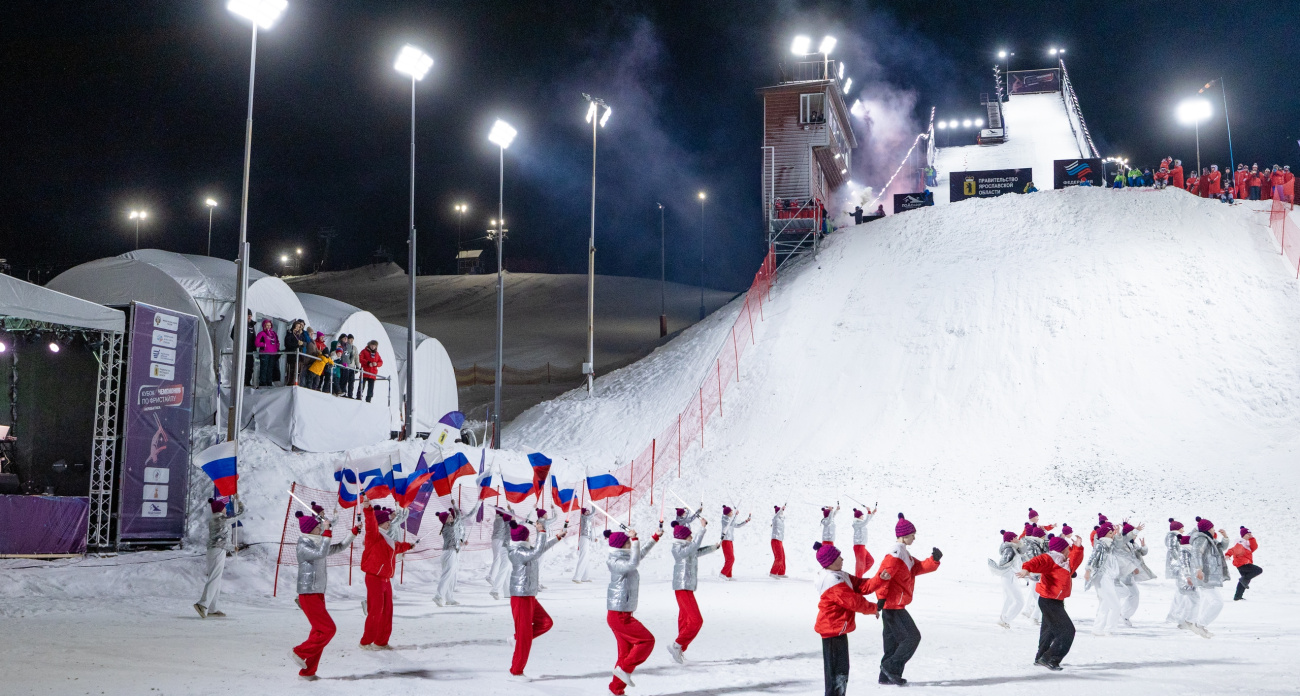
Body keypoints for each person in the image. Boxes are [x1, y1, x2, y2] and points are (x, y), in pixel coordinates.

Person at [872, 513, 941, 686]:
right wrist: (880, 599)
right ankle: (890, 667)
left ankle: (886, 677)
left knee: (893, 642)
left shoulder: (904, 554)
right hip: (892, 606)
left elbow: (917, 568)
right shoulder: (895, 554)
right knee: (912, 637)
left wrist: (934, 560)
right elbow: (883, 576)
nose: (914, 538)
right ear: (903, 536)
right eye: (912, 535)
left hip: (894, 605)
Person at [814, 540, 889, 696]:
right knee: (837, 674)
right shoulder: (832, 581)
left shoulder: (839, 575)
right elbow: (853, 601)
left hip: (838, 630)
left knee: (841, 672)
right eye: (838, 557)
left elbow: (861, 586)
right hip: (832, 630)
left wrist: (880, 578)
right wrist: (873, 608)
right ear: (830, 562)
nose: (842, 559)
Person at [290, 505, 354, 679]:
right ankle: (299, 651)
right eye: (318, 527)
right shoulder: (303, 545)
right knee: (328, 629)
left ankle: (308, 672)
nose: (321, 528)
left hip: (318, 593)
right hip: (307, 594)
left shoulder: (317, 541)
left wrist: (353, 533)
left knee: (318, 632)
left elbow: (337, 548)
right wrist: (327, 531)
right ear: (311, 530)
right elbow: (321, 553)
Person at [507, 518, 566, 679]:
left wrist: (557, 537)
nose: (530, 538)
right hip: (521, 598)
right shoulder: (517, 552)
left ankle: (516, 639)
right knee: (525, 638)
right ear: (524, 538)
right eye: (528, 536)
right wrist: (541, 531)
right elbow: (536, 552)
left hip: (529, 595)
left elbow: (540, 549)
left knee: (546, 622)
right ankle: (516, 671)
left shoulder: (526, 550)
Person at [1015, 533, 1084, 671]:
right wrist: (1025, 569)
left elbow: (1075, 561)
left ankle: (1041, 657)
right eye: (1067, 548)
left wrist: (1078, 547)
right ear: (1061, 549)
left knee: (1049, 631)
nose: (1069, 550)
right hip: (1049, 601)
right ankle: (1050, 658)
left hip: (1055, 601)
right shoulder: (1050, 558)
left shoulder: (1064, 561)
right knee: (1067, 631)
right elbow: (1036, 562)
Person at [605, 525, 661, 695]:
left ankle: (616, 690)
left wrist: (654, 537)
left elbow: (639, 555)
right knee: (647, 641)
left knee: (625, 653)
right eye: (628, 542)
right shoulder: (614, 562)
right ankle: (623, 669)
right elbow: (633, 563)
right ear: (621, 546)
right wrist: (635, 539)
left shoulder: (626, 557)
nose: (631, 543)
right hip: (619, 615)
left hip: (622, 612)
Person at [359, 499, 412, 650]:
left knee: (387, 610)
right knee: (375, 610)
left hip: (385, 578)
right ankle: (366, 641)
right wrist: (368, 510)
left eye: (388, 522)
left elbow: (397, 547)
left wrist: (409, 546)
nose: (388, 524)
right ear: (379, 523)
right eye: (385, 522)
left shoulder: (388, 538)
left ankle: (381, 641)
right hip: (374, 577)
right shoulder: (373, 536)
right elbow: (370, 524)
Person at [667, 519, 719, 664]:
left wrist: (714, 547)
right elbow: (695, 545)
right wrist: (702, 528)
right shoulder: (678, 549)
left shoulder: (688, 548)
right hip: (682, 588)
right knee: (696, 620)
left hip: (687, 588)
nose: (691, 538)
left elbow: (698, 550)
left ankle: (679, 651)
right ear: (683, 538)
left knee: (685, 621)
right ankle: (677, 645)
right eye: (689, 536)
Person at [194, 495, 244, 619]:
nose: (225, 509)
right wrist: (238, 501)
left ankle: (212, 608)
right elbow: (240, 515)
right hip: (218, 551)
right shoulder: (222, 520)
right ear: (219, 510)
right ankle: (202, 604)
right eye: (224, 508)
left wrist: (232, 547)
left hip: (213, 550)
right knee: (214, 579)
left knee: (216, 578)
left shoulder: (215, 520)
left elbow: (221, 537)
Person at [1188, 517, 1231, 637]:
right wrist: (1199, 569)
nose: (1214, 529)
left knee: (1207, 601)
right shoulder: (1201, 539)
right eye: (1212, 527)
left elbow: (1221, 547)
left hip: (1207, 575)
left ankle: (1199, 625)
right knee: (1217, 602)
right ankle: (1199, 625)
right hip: (1204, 575)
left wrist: (1225, 537)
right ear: (1207, 529)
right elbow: (1197, 553)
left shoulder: (1209, 539)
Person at [434, 500, 479, 607]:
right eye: (449, 517)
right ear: (445, 520)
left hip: (452, 552)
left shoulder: (450, 527)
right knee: (447, 575)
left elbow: (455, 540)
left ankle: (449, 598)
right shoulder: (449, 526)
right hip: (449, 553)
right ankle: (438, 596)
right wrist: (454, 505)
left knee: (451, 576)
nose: (452, 517)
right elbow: (458, 515)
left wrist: (461, 543)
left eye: (451, 516)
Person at [1084, 521, 1125, 636]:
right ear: (1104, 534)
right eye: (1111, 533)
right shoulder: (1101, 545)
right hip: (1102, 577)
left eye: (1113, 533)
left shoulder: (1110, 545)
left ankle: (1098, 629)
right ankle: (1110, 629)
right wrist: (1088, 570)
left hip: (1108, 578)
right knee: (1115, 604)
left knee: (1105, 603)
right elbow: (1093, 557)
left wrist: (1119, 534)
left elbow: (1119, 545)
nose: (1112, 534)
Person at [1114, 521, 1155, 626]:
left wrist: (1144, 546)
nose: (1136, 536)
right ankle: (1120, 615)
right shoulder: (1122, 543)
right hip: (1122, 574)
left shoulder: (1132, 544)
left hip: (1128, 575)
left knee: (1131, 594)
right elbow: (1122, 557)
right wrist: (1132, 568)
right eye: (1134, 534)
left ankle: (1122, 615)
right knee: (1127, 594)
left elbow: (1141, 553)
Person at [989, 530, 1024, 628]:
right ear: (1011, 539)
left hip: (1010, 576)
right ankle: (1005, 620)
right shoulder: (1010, 549)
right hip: (1010, 577)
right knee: (1019, 601)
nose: (1018, 539)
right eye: (1016, 537)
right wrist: (1012, 570)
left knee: (1009, 599)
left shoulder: (1013, 548)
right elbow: (1003, 563)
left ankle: (1003, 619)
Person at [1166, 533, 1200, 631]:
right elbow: (1185, 565)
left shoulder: (1184, 550)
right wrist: (1188, 577)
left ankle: (1184, 620)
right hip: (1186, 581)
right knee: (1194, 600)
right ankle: (1185, 621)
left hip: (1185, 580)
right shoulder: (1185, 551)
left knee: (1190, 600)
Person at [1226, 526, 1261, 601]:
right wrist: (1228, 554)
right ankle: (1243, 581)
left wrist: (1252, 538)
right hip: (1242, 563)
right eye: (1248, 534)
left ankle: (1237, 597)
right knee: (1258, 570)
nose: (1250, 535)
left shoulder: (1248, 544)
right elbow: (1233, 549)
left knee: (1245, 579)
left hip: (1244, 563)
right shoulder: (1240, 542)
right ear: (1244, 535)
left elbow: (1254, 547)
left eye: (1251, 534)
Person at [488, 506, 514, 598]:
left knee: (507, 569)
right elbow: (513, 522)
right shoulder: (506, 523)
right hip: (505, 548)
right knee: (504, 568)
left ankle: (507, 592)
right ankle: (495, 590)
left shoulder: (507, 523)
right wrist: (511, 511)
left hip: (507, 548)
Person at [717, 505, 750, 580]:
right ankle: (723, 573)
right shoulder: (724, 520)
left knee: (729, 558)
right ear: (728, 513)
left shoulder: (730, 519)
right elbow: (731, 523)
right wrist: (736, 515)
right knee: (731, 558)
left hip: (730, 540)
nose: (732, 513)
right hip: (725, 541)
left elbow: (737, 525)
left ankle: (728, 575)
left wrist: (745, 521)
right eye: (731, 512)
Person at [850, 506, 876, 578]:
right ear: (859, 517)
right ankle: (857, 580)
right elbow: (865, 522)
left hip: (862, 546)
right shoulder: (857, 523)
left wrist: (872, 513)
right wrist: (868, 512)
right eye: (862, 516)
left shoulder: (861, 522)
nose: (863, 517)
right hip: (858, 547)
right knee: (860, 565)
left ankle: (857, 577)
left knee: (870, 561)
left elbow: (867, 521)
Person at [254, 319, 281, 388]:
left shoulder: (274, 334)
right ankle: (262, 382)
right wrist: (264, 345)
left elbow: (277, 342)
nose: (268, 327)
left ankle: (269, 382)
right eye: (267, 325)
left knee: (270, 368)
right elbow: (257, 343)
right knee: (264, 368)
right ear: (264, 326)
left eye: (269, 325)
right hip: (264, 353)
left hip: (273, 353)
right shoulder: (261, 333)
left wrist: (277, 348)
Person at [282, 320, 304, 386]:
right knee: (291, 371)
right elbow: (288, 344)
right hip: (292, 355)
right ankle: (290, 383)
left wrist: (302, 344)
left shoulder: (299, 335)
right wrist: (297, 345)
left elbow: (304, 343)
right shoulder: (290, 334)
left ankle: (296, 383)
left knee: (298, 371)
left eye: (299, 327)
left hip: (298, 355)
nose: (297, 328)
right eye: (296, 326)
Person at [770, 504, 788, 578]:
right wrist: (780, 509)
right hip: (775, 540)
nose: (782, 512)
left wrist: (782, 509)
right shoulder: (775, 518)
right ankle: (773, 572)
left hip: (780, 540)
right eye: (780, 512)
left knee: (783, 557)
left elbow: (783, 517)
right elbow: (776, 515)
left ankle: (781, 573)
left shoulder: (781, 519)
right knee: (779, 557)